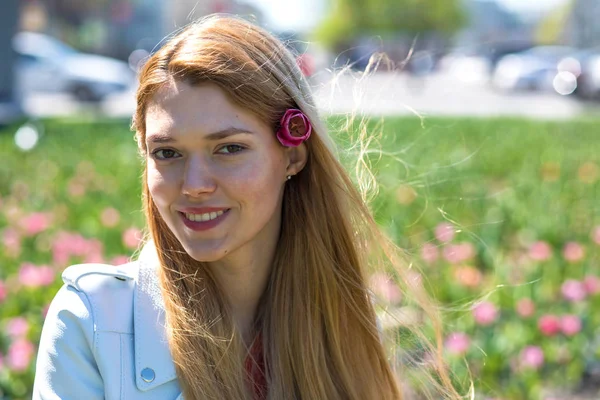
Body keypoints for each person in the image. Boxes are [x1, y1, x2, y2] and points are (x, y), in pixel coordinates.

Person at [33, 14, 461, 400]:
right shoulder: (91, 323)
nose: (195, 185)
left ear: (293, 156)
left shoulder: (341, 322)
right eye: (167, 153)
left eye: (229, 148)